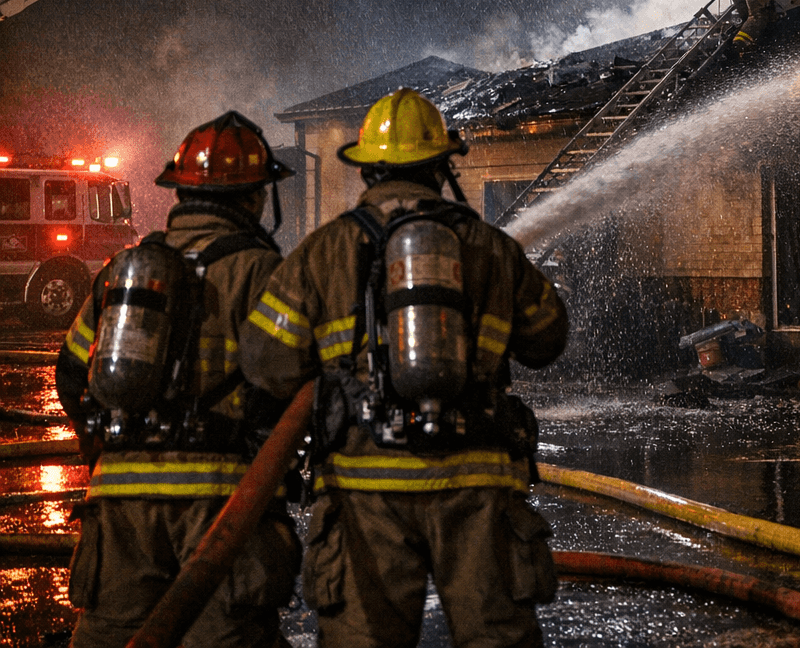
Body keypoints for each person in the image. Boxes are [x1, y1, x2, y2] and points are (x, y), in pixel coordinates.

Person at [241, 88, 568, 648]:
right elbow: (547, 340)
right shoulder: (492, 248)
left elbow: (266, 364)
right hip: (477, 485)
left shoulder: (324, 251)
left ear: (369, 169)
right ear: (442, 166)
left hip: (364, 488)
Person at [56, 111, 299, 648]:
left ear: (180, 193)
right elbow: (290, 383)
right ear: (256, 198)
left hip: (119, 504)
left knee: (109, 637)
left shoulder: (125, 268)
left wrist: (110, 453)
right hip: (220, 505)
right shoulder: (262, 271)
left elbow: (71, 376)